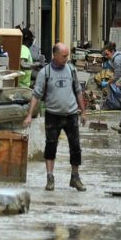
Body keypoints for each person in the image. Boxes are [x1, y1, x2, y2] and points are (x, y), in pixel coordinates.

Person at [23, 42, 88, 191]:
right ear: (55, 55)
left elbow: (78, 91)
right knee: (51, 146)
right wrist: (28, 115)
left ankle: (75, 178)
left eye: (67, 56)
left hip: (71, 115)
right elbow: (36, 95)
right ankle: (50, 178)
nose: (66, 59)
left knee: (75, 147)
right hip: (53, 115)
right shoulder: (45, 73)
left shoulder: (71, 69)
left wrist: (83, 111)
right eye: (64, 56)